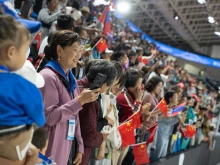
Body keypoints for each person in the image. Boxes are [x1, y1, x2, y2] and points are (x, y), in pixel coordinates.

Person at [40, 31, 100, 165]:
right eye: (75, 50)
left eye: (80, 50)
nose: (79, 55)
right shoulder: (48, 76)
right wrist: (79, 101)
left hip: (66, 143)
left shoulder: (70, 78)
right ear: (60, 50)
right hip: (50, 145)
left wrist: (79, 145)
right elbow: (49, 117)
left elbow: (74, 115)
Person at [0, 15, 45, 165]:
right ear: (11, 52)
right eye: (26, 48)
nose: (27, 53)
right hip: (13, 146)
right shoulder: (22, 85)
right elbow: (39, 118)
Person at [77, 59, 117, 165]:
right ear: (103, 85)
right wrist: (102, 137)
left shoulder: (77, 85)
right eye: (108, 86)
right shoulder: (90, 99)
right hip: (78, 155)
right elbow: (89, 138)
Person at [150, 91, 181, 162]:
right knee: (156, 157)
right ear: (170, 99)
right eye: (176, 97)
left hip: (166, 135)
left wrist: (178, 116)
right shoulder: (164, 107)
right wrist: (177, 117)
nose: (178, 99)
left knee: (162, 157)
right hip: (160, 133)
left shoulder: (173, 109)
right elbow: (167, 122)